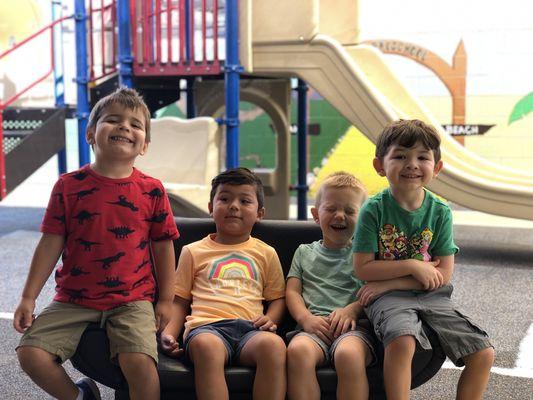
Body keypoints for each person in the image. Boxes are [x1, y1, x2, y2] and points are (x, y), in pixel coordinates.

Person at [13, 87, 179, 400]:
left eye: (135, 124)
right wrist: (28, 297)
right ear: (91, 133)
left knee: (140, 362)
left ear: (144, 145)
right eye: (113, 120)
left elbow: (163, 246)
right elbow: (50, 243)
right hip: (74, 298)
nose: (125, 127)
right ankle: (81, 396)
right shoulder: (67, 186)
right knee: (30, 353)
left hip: (132, 299)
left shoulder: (152, 190)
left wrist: (166, 299)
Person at [353, 119, 495, 400]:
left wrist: (385, 283)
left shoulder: (440, 211)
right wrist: (413, 266)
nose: (412, 164)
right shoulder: (372, 210)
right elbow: (363, 267)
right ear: (380, 166)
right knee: (403, 342)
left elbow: (443, 274)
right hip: (389, 299)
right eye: (400, 156)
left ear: (437, 168)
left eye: (422, 157)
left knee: (483, 353)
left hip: (432, 295)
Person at [160, 167, 287, 400]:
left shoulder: (266, 253)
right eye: (225, 198)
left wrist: (271, 319)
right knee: (207, 348)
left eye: (244, 200)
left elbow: (277, 298)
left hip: (252, 330)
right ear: (211, 208)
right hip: (207, 328)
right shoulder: (193, 251)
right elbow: (179, 301)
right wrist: (169, 333)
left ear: (260, 213)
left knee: (274, 347)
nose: (234, 206)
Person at [286, 172, 377, 400]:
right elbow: (292, 292)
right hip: (312, 327)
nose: (339, 216)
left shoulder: (365, 255)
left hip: (354, 330)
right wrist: (305, 319)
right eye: (331, 209)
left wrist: (353, 309)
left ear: (363, 217)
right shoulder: (303, 252)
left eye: (349, 211)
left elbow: (375, 291)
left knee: (348, 355)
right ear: (316, 215)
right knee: (297, 352)